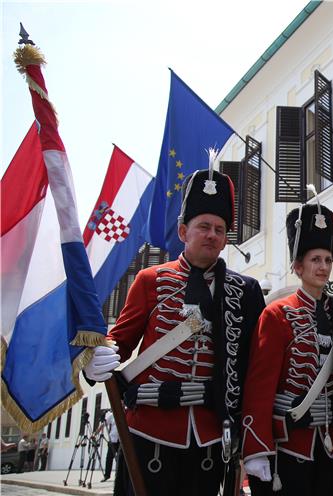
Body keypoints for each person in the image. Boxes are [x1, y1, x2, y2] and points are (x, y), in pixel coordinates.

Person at [83, 169, 265, 495]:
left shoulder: (245, 291)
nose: (212, 235)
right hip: (150, 428)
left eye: (219, 229)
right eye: (204, 226)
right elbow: (119, 342)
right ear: (183, 231)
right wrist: (94, 360)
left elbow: (254, 368)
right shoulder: (150, 281)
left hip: (209, 434)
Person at [241, 202, 333, 495]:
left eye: (328, 260)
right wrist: (256, 446)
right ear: (298, 266)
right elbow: (260, 385)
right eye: (315, 259)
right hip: (290, 443)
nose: (323, 267)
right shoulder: (277, 314)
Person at [102, 410, 119, 482]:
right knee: (109, 458)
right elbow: (103, 424)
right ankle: (107, 475)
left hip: (121, 441)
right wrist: (95, 433)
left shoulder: (126, 413)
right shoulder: (112, 415)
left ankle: (118, 476)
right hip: (113, 440)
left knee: (120, 459)